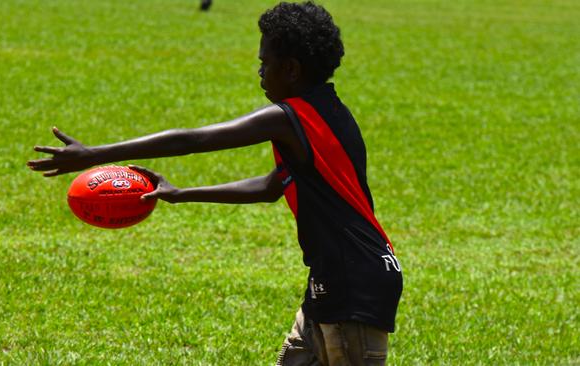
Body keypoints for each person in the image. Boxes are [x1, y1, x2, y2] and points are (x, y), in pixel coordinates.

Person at [27, 2, 402, 365]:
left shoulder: (290, 118)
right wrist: (182, 194)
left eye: (264, 63)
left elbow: (195, 140)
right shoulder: (327, 112)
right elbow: (271, 186)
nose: (259, 73)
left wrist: (94, 154)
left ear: (290, 69)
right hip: (340, 274)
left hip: (353, 281)